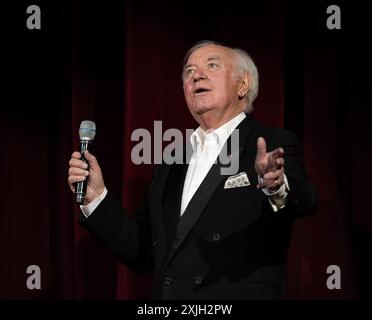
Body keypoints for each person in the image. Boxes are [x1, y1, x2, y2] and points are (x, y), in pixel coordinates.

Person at [68, 40, 317, 299]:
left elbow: (306, 200)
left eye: (212, 65)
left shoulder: (271, 143)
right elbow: (142, 251)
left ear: (243, 85)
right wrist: (96, 198)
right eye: (189, 72)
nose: (196, 75)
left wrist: (276, 184)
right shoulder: (171, 161)